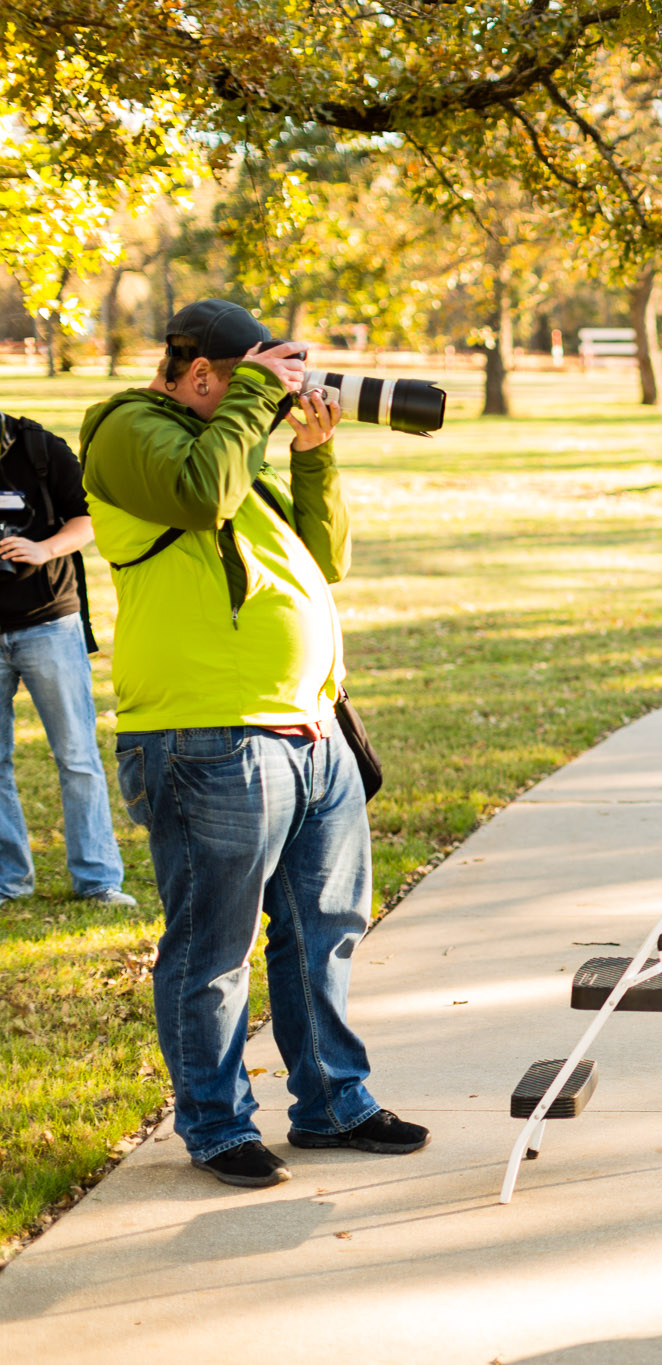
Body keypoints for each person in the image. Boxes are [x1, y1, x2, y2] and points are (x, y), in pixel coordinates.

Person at [76, 299, 427, 1189]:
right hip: (210, 735)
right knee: (214, 947)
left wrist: (313, 455)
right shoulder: (127, 431)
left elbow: (325, 558)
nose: (272, 398)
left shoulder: (231, 449)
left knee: (323, 930)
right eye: (255, 381)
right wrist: (250, 402)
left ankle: (333, 1102)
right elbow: (201, 496)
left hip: (311, 729)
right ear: (200, 375)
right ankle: (216, 1122)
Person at [0, 409, 130, 906]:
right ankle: (8, 882)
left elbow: (89, 516)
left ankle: (98, 880)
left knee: (76, 755)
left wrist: (45, 549)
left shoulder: (40, 447)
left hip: (49, 621)